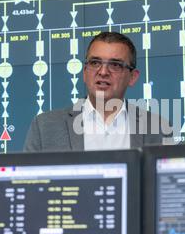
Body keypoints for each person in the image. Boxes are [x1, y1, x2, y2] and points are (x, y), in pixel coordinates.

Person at [24, 31, 173, 152]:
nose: (103, 72)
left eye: (115, 65)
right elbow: (27, 184)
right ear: (84, 72)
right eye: (95, 63)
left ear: (132, 77)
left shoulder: (159, 129)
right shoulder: (44, 127)